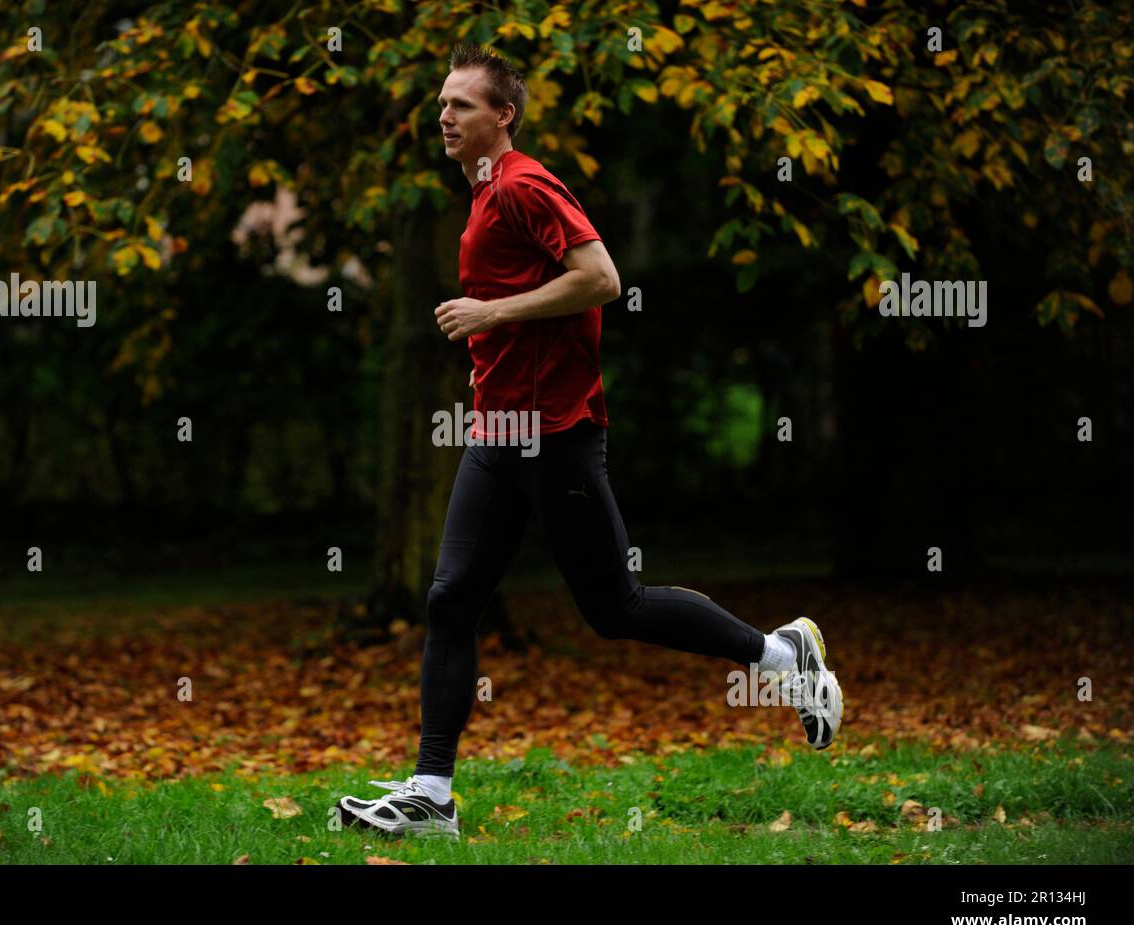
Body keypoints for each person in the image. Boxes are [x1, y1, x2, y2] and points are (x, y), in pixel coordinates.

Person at [336, 44, 842, 839]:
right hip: (499, 432)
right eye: (442, 103)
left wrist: (490, 316)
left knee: (614, 607)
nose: (445, 115)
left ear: (503, 116)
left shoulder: (526, 184)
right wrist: (491, 364)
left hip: (556, 435)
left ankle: (782, 657)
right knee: (450, 598)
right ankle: (432, 792)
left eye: (463, 105)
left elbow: (601, 277)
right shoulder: (482, 191)